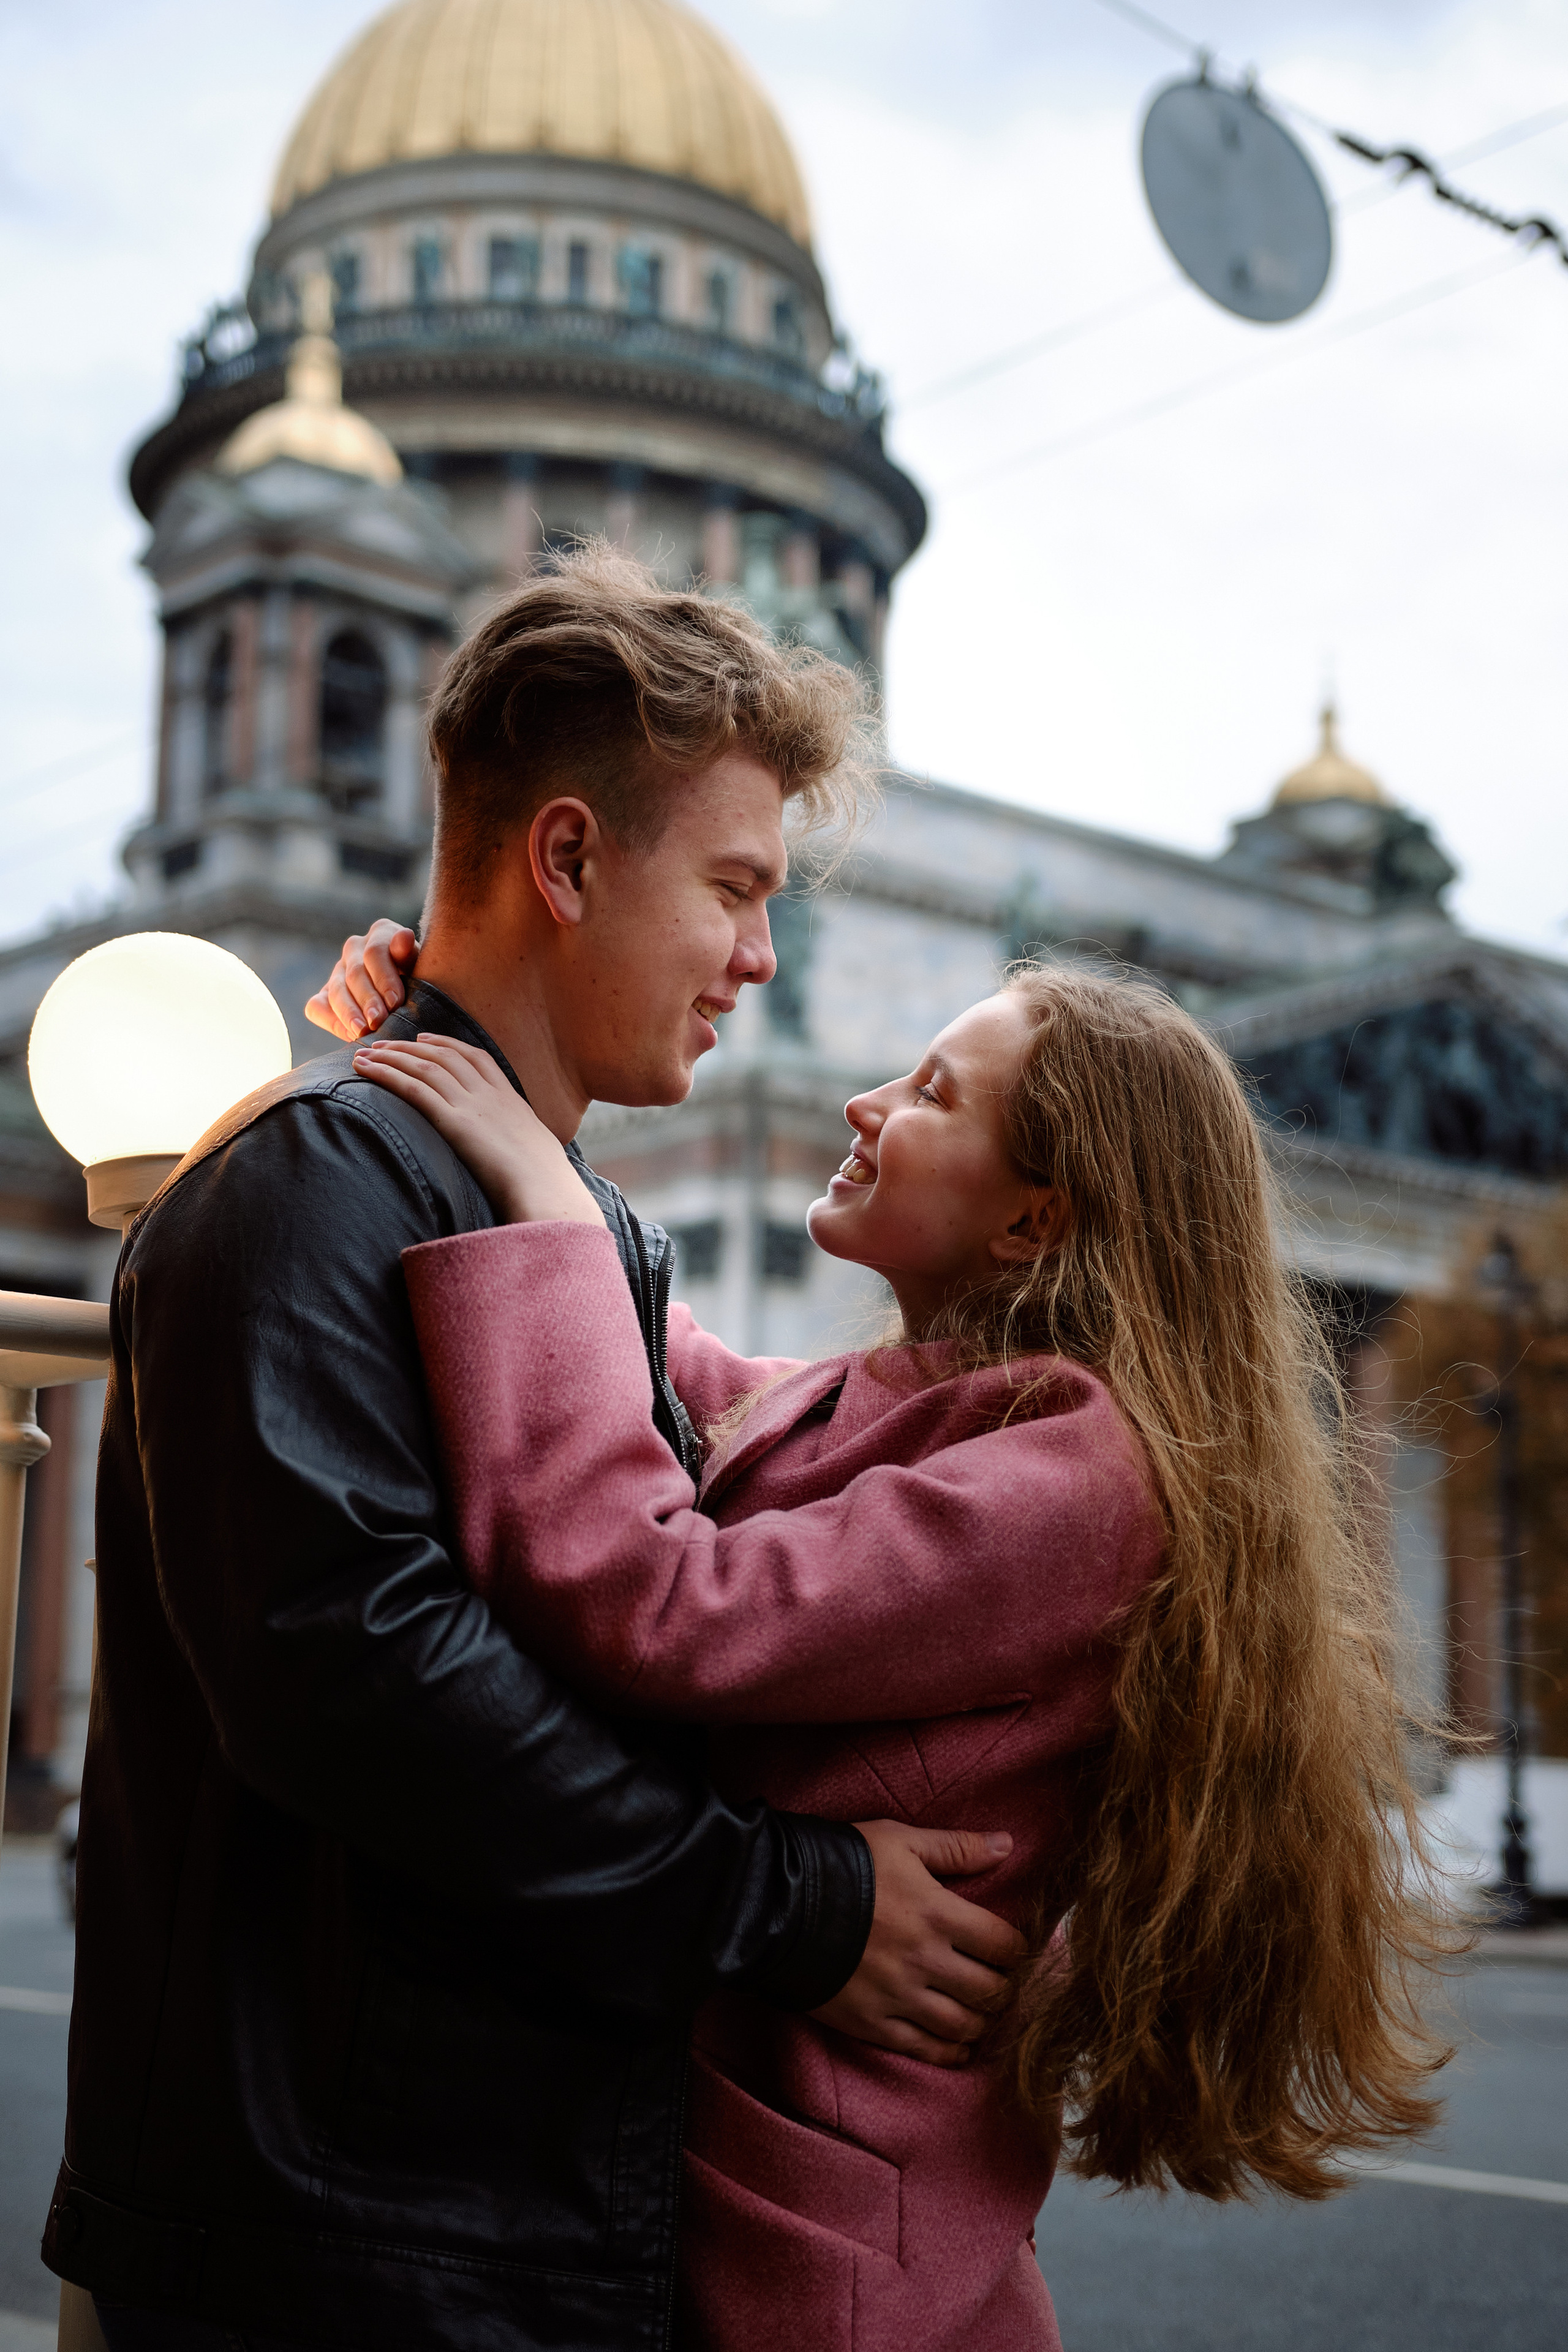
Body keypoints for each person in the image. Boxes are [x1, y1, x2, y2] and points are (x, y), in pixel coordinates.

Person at [43, 551, 1026, 2352]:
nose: (761, 957)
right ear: (567, 859)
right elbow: (360, 1672)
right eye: (732, 887)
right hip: (346, 2262)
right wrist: (796, 1906)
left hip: (485, 2232)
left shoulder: (561, 1228)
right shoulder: (308, 1181)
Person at [342, 963, 1456, 2352]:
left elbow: (662, 1604)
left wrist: (542, 1194)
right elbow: (661, 1368)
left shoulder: (1080, 1481)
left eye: (932, 1092)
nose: (864, 1103)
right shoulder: (912, 1407)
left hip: (815, 2246)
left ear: (1030, 1218)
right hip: (777, 2181)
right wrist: (467, 1014)